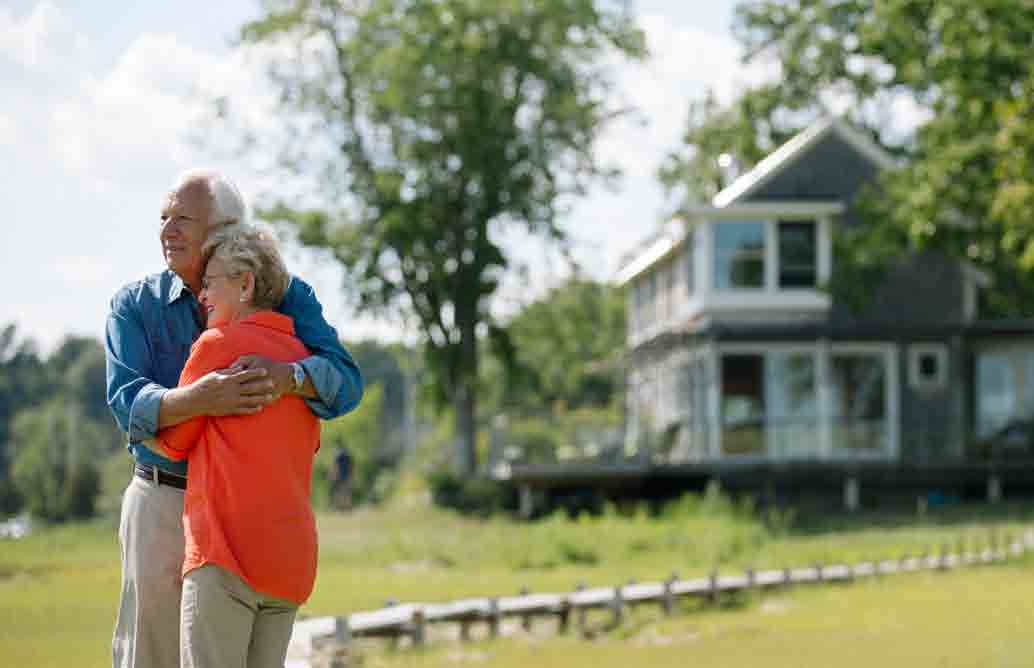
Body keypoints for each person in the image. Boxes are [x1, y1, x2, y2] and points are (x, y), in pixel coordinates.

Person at [105, 169, 363, 668]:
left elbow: (346, 383)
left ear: (225, 230)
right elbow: (127, 405)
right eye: (163, 218)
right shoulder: (133, 305)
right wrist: (203, 398)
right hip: (161, 500)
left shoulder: (286, 293)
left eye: (183, 219)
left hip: (246, 515)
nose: (167, 231)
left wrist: (289, 377)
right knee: (150, 657)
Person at [153, 224, 320, 668]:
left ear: (244, 284)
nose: (202, 296)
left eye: (210, 283)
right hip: (289, 562)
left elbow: (172, 441)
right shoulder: (303, 360)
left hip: (226, 555)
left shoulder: (216, 345)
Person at [330, 446, 354, 511]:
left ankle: (339, 507)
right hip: (346, 476)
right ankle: (347, 507)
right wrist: (351, 476)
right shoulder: (348, 456)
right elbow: (351, 467)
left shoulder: (337, 456)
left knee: (339, 492)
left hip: (339, 476)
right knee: (346, 492)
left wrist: (333, 475)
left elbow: (335, 467)